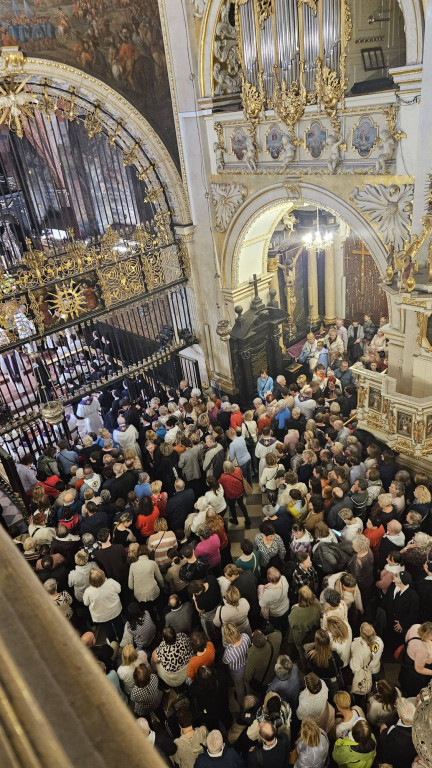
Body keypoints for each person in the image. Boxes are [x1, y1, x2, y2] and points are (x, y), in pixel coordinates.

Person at [82, 568, 123, 641]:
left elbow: (86, 603)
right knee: (119, 625)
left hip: (101, 616)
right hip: (115, 611)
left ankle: (113, 642)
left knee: (107, 629)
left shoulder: (88, 591)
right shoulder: (111, 582)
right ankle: (122, 640)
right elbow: (119, 589)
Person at [377, 697, 417, 768]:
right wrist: (388, 723)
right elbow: (398, 720)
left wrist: (383, 732)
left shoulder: (394, 733)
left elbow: (383, 743)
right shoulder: (418, 726)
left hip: (395, 760)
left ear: (400, 715)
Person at [399, 620, 432, 696]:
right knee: (412, 689)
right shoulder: (422, 649)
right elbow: (419, 669)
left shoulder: (416, 626)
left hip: (407, 659)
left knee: (404, 679)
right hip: (415, 672)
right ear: (427, 636)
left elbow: (407, 639)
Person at [222, 623, 251, 707]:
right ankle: (250, 700)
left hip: (237, 671)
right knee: (248, 683)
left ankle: (242, 704)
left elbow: (225, 661)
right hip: (247, 664)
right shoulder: (245, 636)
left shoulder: (229, 651)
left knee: (239, 687)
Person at [219, 461, 251, 527]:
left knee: (232, 507)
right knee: (241, 504)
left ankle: (235, 520)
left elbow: (219, 484)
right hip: (240, 492)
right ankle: (247, 520)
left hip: (231, 495)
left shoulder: (223, 477)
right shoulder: (238, 469)